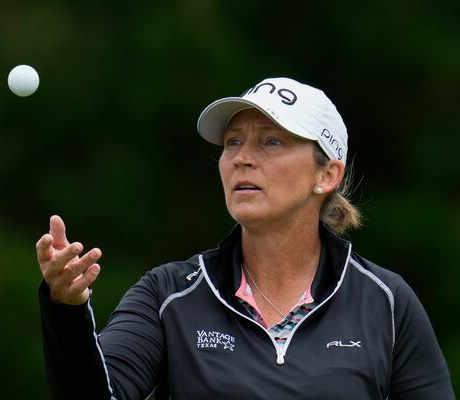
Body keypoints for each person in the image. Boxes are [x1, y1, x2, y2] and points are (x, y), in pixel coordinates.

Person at [36, 77, 455, 399]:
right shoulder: (168, 296)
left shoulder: (386, 302)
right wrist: (67, 311)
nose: (242, 158)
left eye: (271, 141)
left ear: (327, 175)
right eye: (233, 141)